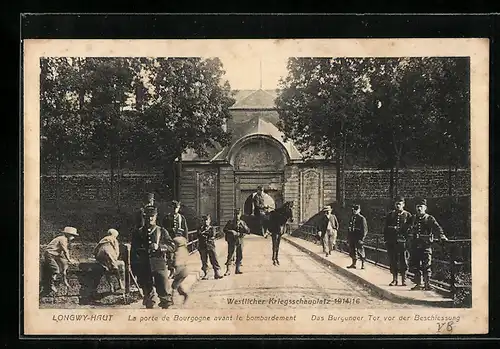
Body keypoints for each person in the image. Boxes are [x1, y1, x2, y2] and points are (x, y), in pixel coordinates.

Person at [130, 205, 176, 309]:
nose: (150, 219)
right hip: (144, 265)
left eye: (152, 216)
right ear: (144, 217)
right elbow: (133, 251)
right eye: (147, 216)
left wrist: (160, 247)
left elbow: (172, 246)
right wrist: (135, 267)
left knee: (164, 291)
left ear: (156, 217)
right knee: (147, 293)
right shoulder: (138, 232)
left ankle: (165, 314)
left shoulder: (162, 231)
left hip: (159, 265)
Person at [409, 198, 448, 291]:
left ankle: (427, 284)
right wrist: (408, 234)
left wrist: (442, 236)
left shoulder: (429, 218)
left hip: (426, 245)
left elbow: (437, 228)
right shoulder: (413, 218)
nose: (419, 209)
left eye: (421, 207)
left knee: (427, 265)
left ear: (425, 208)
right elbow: (405, 228)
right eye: (417, 207)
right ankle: (418, 283)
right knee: (416, 265)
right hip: (415, 245)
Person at [40, 226, 79, 296]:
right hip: (49, 254)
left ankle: (54, 282)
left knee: (60, 268)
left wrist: (68, 260)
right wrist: (69, 259)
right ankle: (51, 285)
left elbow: (61, 253)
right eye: (72, 235)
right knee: (55, 269)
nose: (73, 237)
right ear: (67, 234)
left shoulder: (65, 240)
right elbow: (65, 251)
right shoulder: (62, 239)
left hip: (54, 255)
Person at [383, 196, 413, 286]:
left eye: (399, 204)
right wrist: (386, 239)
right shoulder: (390, 215)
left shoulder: (408, 215)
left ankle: (404, 279)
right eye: (396, 204)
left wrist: (408, 239)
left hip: (403, 242)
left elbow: (411, 229)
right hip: (392, 241)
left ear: (403, 205)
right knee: (393, 260)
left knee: (404, 260)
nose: (398, 206)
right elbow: (385, 228)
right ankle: (394, 279)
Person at [162, 200, 189, 278]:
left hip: (179, 240)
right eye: (173, 207)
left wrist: (186, 240)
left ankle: (178, 272)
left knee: (179, 256)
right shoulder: (167, 217)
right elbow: (163, 229)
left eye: (176, 208)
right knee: (170, 256)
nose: (174, 209)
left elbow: (185, 229)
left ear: (179, 208)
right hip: (170, 239)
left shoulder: (181, 217)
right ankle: (171, 270)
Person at [93, 228, 124, 292]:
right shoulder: (114, 239)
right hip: (109, 254)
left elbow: (96, 248)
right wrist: (115, 258)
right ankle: (120, 283)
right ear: (114, 235)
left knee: (106, 269)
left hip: (101, 255)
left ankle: (111, 285)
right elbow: (116, 250)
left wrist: (95, 255)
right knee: (115, 267)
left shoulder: (103, 239)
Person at [223, 208, 250, 276]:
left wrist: (244, 227)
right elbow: (225, 229)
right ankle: (228, 270)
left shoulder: (242, 223)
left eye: (238, 214)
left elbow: (248, 231)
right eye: (235, 214)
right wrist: (231, 231)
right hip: (232, 241)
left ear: (240, 215)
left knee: (239, 255)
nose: (236, 216)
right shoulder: (230, 222)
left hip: (240, 241)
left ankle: (237, 269)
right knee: (230, 255)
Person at [196, 214, 223, 280]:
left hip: (210, 246)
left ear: (209, 221)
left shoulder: (211, 228)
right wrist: (205, 235)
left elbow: (212, 235)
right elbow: (199, 235)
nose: (205, 222)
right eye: (204, 220)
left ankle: (216, 273)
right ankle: (206, 274)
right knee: (204, 260)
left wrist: (204, 235)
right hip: (202, 246)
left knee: (214, 259)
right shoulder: (200, 228)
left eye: (207, 220)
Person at [347, 204, 368, 269]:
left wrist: (362, 239)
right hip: (352, 236)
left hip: (358, 237)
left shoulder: (362, 218)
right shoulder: (352, 217)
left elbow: (365, 230)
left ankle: (363, 264)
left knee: (360, 250)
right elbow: (349, 228)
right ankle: (354, 264)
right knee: (352, 250)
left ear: (359, 210)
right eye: (354, 209)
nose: (355, 211)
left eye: (356, 209)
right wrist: (348, 237)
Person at [171, 234, 190, 305]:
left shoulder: (177, 253)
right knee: (178, 286)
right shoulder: (184, 250)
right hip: (184, 270)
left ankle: (171, 300)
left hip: (180, 271)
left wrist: (173, 273)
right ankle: (185, 295)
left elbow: (177, 264)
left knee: (173, 286)